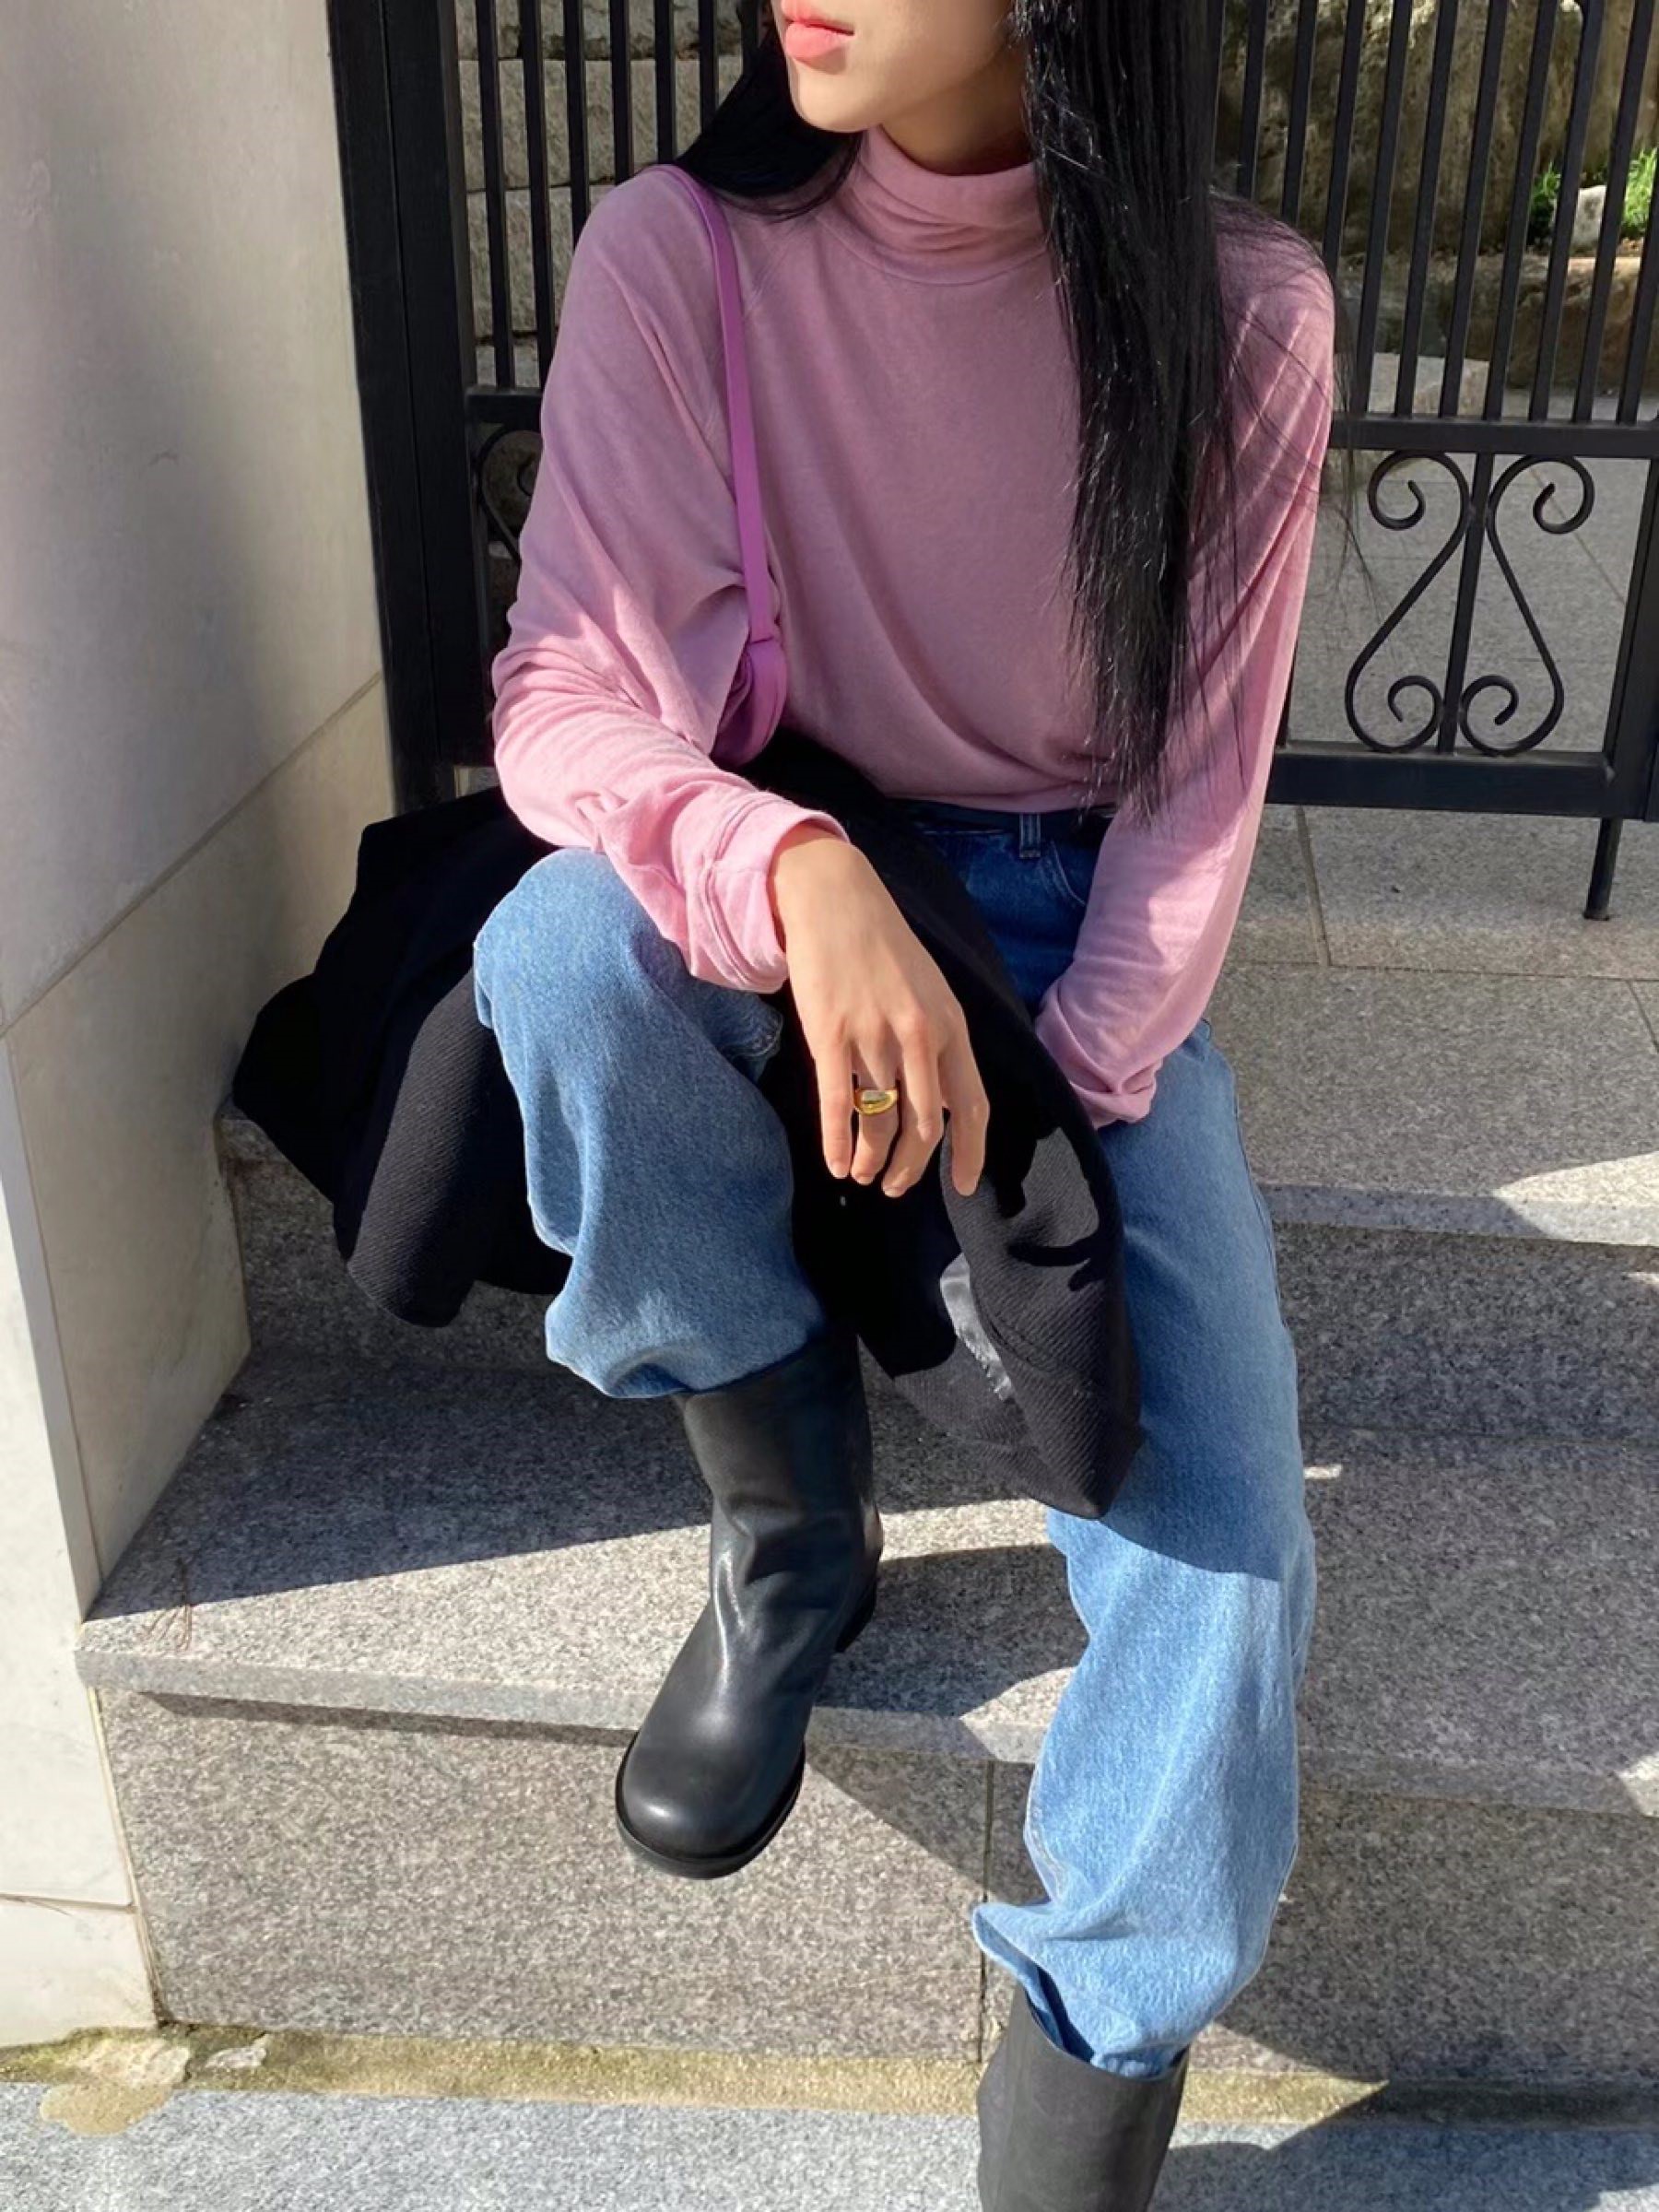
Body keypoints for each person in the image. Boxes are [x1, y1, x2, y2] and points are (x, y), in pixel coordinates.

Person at [469, 0, 1339, 2202]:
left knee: (1229, 1558)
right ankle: (789, 1538)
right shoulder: (683, 254)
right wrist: (793, 864)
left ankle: (1078, 2099)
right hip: (787, 868)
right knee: (556, 959)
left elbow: (1198, 795)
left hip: (1068, 932)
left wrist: (1062, 1104)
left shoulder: (1243, 310)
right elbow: (563, 696)